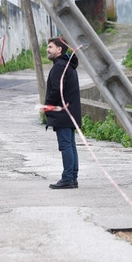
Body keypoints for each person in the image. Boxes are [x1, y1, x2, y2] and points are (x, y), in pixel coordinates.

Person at [44, 37, 82, 189]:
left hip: (63, 113)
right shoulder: (67, 65)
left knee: (66, 146)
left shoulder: (60, 66)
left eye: (50, 47)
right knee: (70, 145)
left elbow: (56, 91)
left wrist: (48, 106)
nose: (47, 50)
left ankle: (67, 178)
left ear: (59, 49)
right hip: (70, 112)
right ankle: (72, 177)